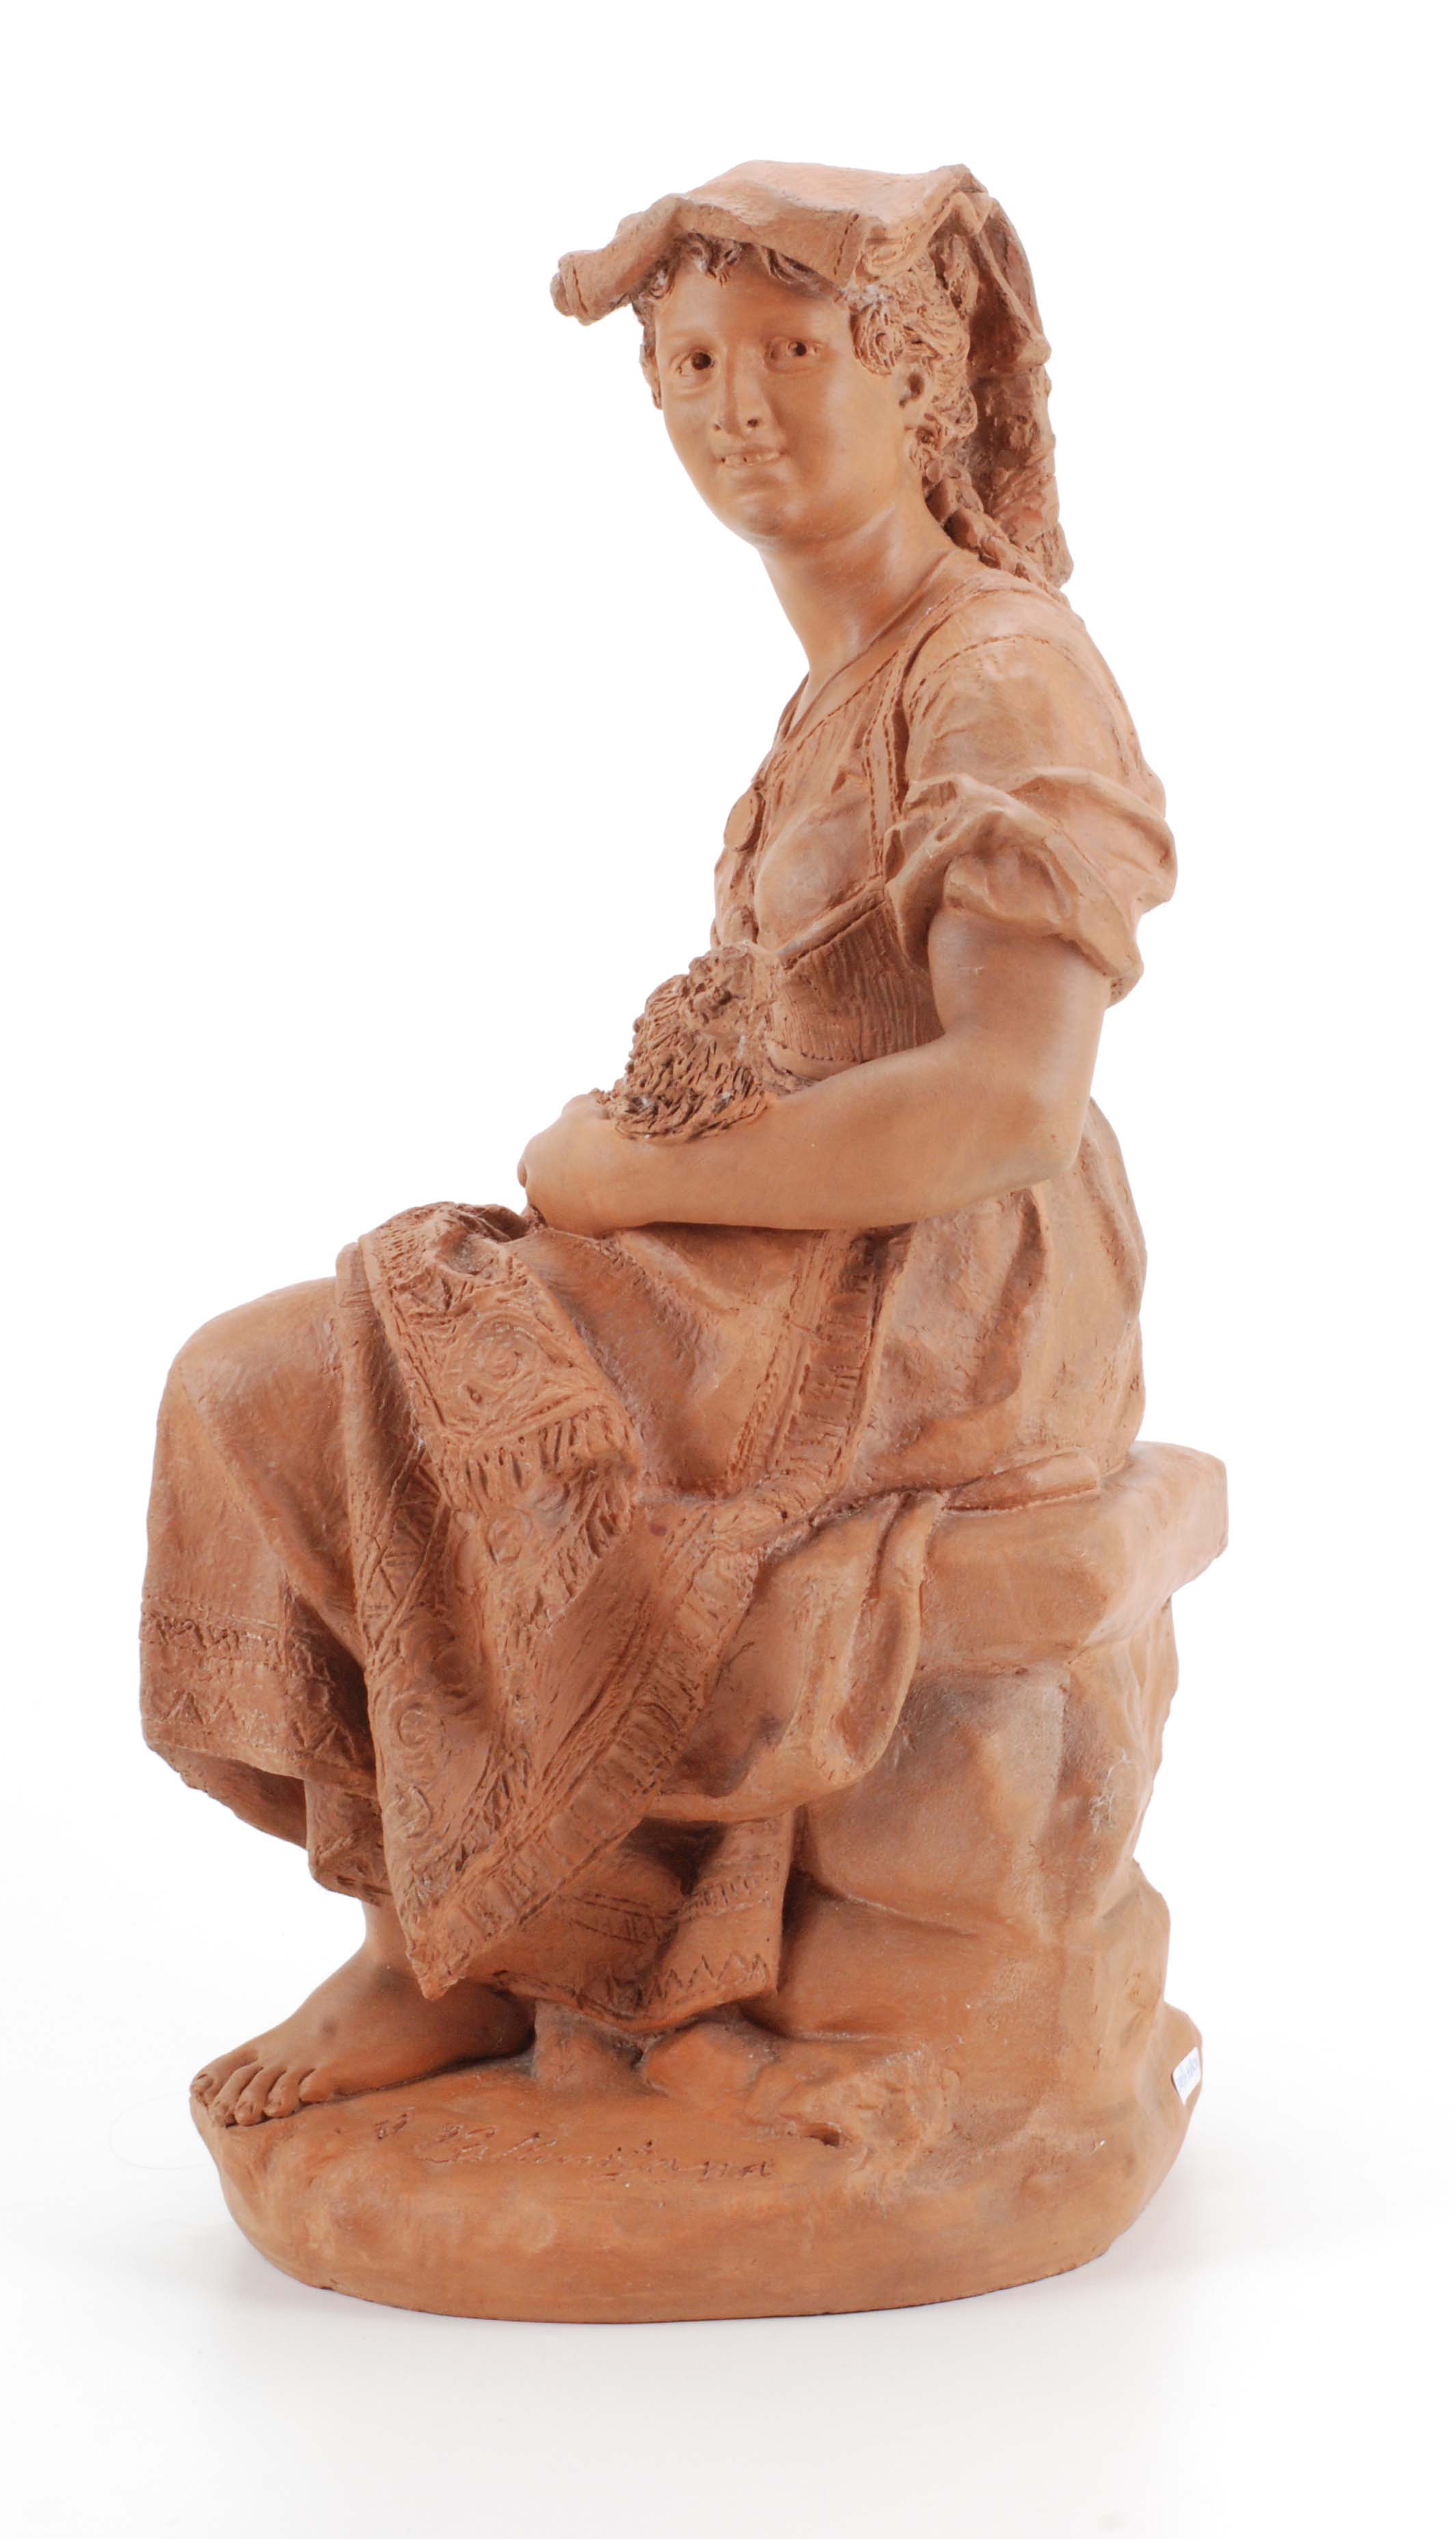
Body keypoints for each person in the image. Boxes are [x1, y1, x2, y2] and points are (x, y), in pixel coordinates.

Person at [142, 163, 1176, 2134]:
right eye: (693, 362)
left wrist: (635, 1184)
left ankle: (467, 1944)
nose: (737, 404)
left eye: (794, 351)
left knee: (296, 1393)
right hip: (782, 1257)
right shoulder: (839, 684)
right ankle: (482, 1937)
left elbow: (1008, 1099)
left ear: (914, 382)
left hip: (936, 1298)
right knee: (281, 1387)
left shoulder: (999, 669)